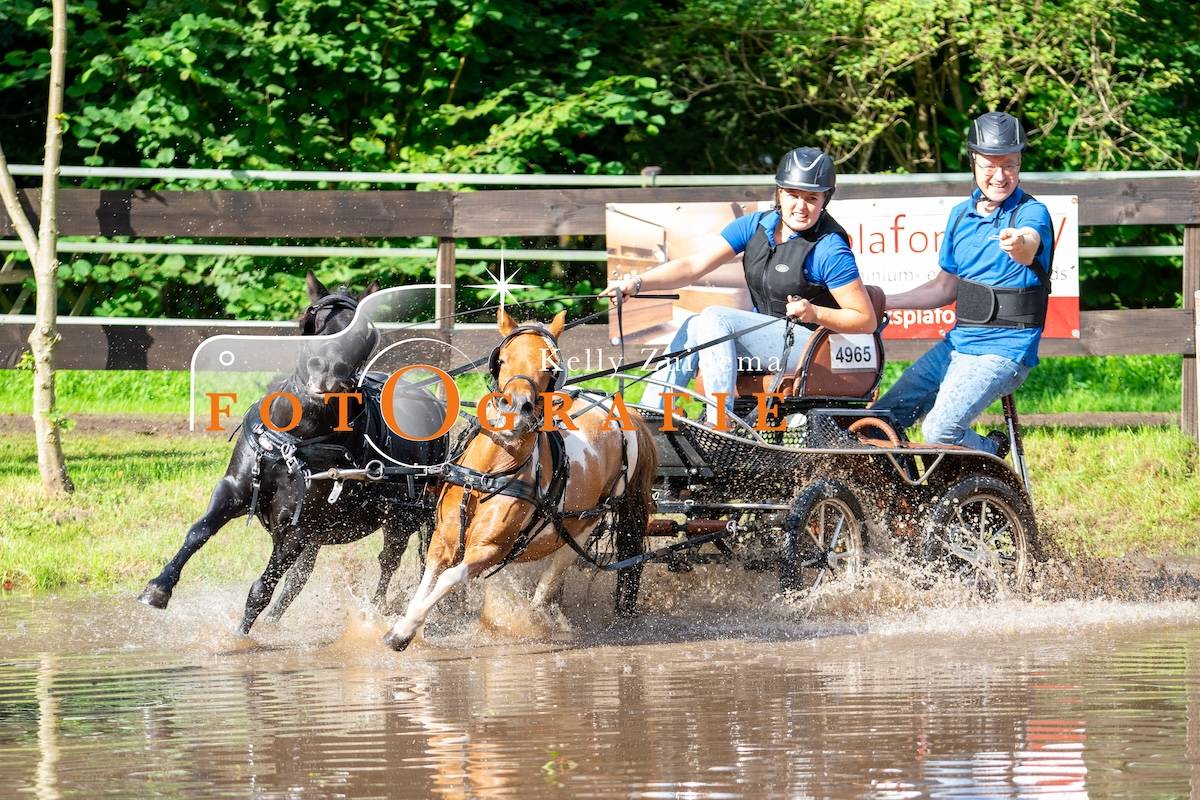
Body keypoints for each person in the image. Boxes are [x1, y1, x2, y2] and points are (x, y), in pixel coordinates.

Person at [603, 146, 877, 423]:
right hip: (771, 340)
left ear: (825, 200)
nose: (800, 206)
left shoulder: (830, 249)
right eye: (793, 195)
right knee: (694, 325)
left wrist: (814, 313)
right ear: (779, 193)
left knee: (715, 317)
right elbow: (692, 266)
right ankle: (650, 416)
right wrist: (636, 283)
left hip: (814, 350)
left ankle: (720, 423)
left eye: (811, 198)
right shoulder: (754, 226)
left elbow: (865, 320)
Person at [872, 111, 1055, 456]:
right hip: (957, 345)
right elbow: (943, 288)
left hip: (1004, 352)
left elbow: (1029, 243)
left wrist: (1019, 242)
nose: (1000, 176)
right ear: (973, 161)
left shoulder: (1031, 214)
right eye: (990, 166)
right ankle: (905, 484)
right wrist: (882, 300)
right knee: (880, 421)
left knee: (939, 430)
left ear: (1019, 164)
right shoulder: (960, 216)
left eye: (1009, 165)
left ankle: (991, 453)